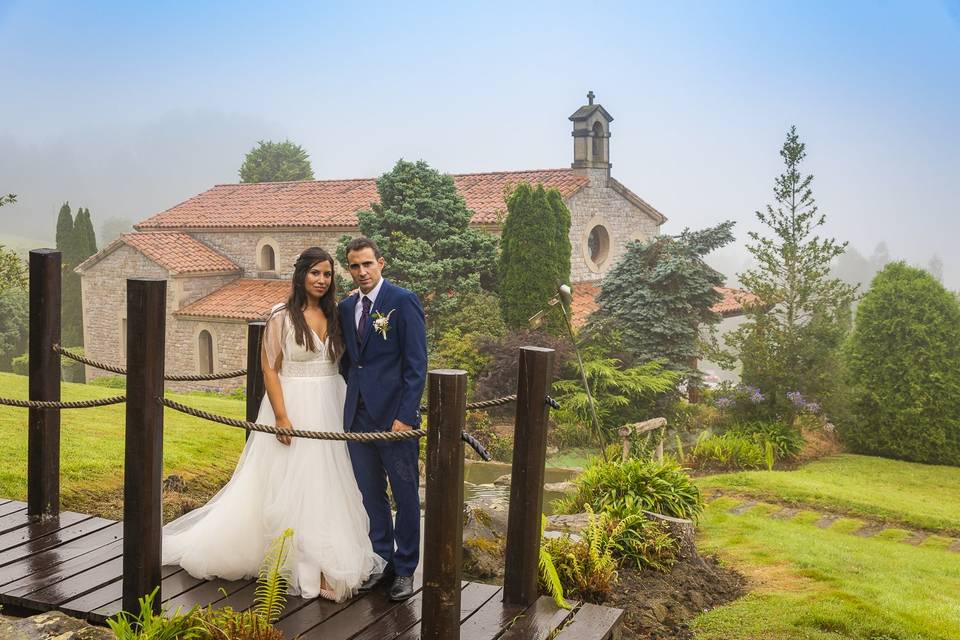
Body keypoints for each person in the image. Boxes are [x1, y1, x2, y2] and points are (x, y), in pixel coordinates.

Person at [161, 247, 385, 602]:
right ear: (301, 276)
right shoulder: (282, 315)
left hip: (332, 403)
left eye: (327, 274)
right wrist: (281, 416)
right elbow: (270, 368)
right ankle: (302, 563)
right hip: (294, 402)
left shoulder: (337, 314)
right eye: (315, 273)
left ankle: (329, 559)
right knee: (295, 481)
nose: (321, 280)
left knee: (332, 480)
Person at [338, 237, 427, 602]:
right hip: (357, 418)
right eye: (355, 266)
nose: (361, 272)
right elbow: (350, 361)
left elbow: (416, 364)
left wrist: (405, 416)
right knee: (371, 494)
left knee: (405, 496)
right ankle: (381, 561)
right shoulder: (346, 307)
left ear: (381, 263)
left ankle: (405, 570)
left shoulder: (402, 302)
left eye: (367, 264)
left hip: (395, 421)